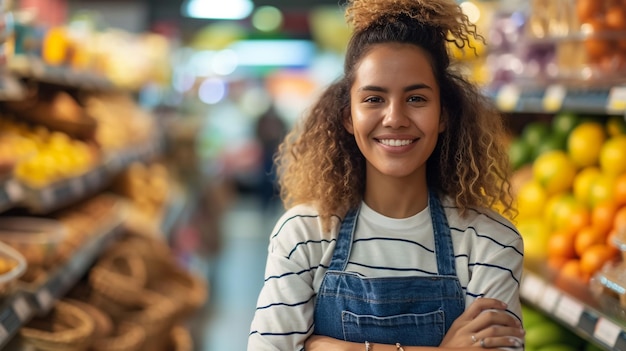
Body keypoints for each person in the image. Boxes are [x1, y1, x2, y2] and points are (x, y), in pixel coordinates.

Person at [248, 0, 525, 349]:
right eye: (374, 99)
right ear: (348, 116)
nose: (394, 118)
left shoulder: (492, 242)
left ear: (443, 115)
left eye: (416, 99)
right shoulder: (304, 234)